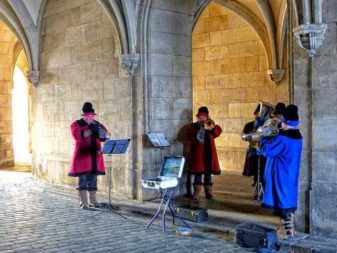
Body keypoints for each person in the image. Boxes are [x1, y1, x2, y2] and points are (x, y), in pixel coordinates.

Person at [258, 104, 302, 239]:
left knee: (282, 202)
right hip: (290, 173)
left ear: (285, 122)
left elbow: (268, 151)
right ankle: (287, 228)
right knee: (287, 199)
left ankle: (287, 231)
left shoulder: (283, 138)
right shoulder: (297, 137)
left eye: (282, 121)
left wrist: (262, 137)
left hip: (281, 174)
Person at [68, 102, 109, 209]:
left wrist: (102, 133)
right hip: (83, 157)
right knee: (83, 180)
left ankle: (93, 201)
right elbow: (78, 136)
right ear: (84, 116)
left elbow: (105, 136)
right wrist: (90, 130)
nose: (90, 118)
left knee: (93, 180)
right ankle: (83, 202)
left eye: (91, 116)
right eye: (88, 116)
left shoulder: (97, 124)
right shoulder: (76, 124)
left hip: (95, 156)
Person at [186, 106, 222, 201]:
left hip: (209, 154)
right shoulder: (193, 126)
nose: (202, 118)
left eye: (204, 116)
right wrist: (199, 129)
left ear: (207, 117)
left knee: (208, 174)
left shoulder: (210, 125)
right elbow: (189, 136)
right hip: (198, 155)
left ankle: (208, 193)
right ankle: (196, 193)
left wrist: (211, 128)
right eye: (200, 116)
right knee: (198, 173)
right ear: (198, 117)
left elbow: (217, 132)